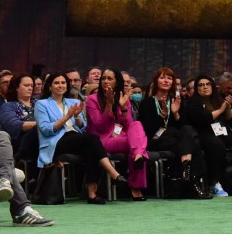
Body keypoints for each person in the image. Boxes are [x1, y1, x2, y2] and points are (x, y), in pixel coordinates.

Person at [35, 73, 127, 204]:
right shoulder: (41, 104)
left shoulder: (74, 102)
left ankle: (92, 194)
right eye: (56, 83)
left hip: (75, 137)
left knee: (90, 151)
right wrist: (67, 117)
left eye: (63, 83)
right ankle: (113, 174)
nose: (61, 85)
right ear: (49, 87)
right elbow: (45, 129)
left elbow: (83, 127)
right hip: (55, 142)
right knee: (92, 139)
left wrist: (77, 116)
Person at [182, 74, 232, 198]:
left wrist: (227, 107)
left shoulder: (218, 99)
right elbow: (200, 120)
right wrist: (221, 110)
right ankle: (214, 183)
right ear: (197, 88)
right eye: (201, 85)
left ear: (212, 86)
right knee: (217, 145)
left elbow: (230, 119)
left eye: (208, 84)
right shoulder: (193, 102)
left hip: (221, 131)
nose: (205, 87)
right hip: (203, 133)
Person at [137, 67, 205, 197]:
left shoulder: (176, 101)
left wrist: (175, 113)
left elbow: (185, 127)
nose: (166, 80)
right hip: (155, 140)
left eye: (169, 78)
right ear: (156, 81)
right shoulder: (147, 103)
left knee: (187, 133)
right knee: (193, 144)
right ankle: (193, 182)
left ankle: (186, 173)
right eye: (162, 77)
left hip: (175, 140)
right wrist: (162, 115)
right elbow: (148, 130)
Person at [85, 68, 148, 201]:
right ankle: (135, 188)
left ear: (117, 82)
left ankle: (138, 154)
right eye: (103, 78)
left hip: (121, 136)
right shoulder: (92, 100)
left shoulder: (123, 98)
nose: (105, 81)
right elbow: (100, 126)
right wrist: (109, 104)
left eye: (110, 78)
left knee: (137, 125)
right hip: (102, 140)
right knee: (138, 146)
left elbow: (129, 126)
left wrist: (123, 107)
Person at [0, 74, 52, 224]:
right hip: (22, 144)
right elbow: (13, 126)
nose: (30, 88)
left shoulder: (39, 104)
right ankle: (22, 210)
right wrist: (44, 125)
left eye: (31, 86)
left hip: (46, 141)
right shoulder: (9, 106)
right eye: (26, 85)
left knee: (2, 136)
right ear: (16, 88)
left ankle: (4, 180)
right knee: (8, 165)